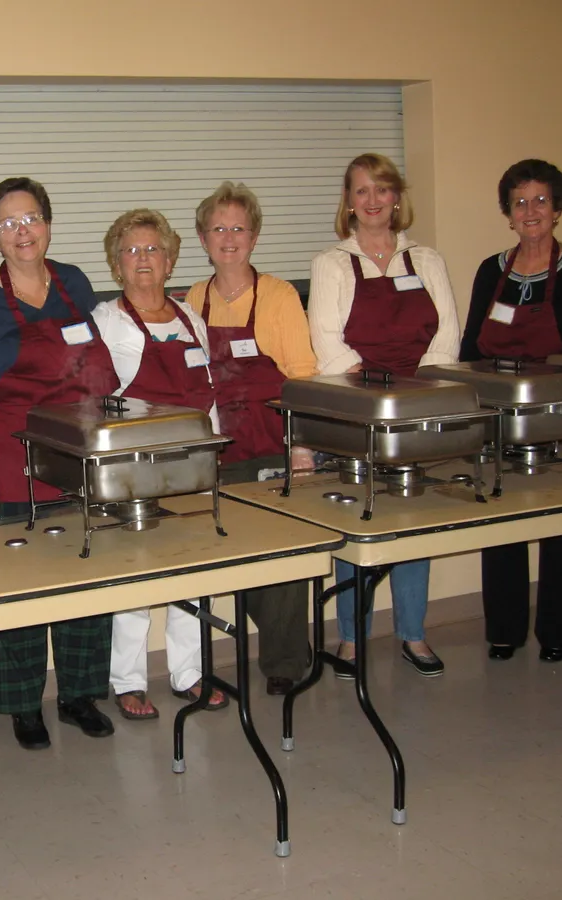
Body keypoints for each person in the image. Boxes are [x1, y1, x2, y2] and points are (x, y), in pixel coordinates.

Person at [0, 177, 119, 750]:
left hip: (73, 453)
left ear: (47, 223)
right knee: (19, 585)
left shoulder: (73, 283)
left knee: (81, 571)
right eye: (8, 223)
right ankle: (24, 705)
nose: (23, 232)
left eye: (31, 219)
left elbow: (95, 367)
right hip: (10, 457)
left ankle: (78, 696)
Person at [461, 159, 562, 663]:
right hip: (501, 417)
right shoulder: (492, 270)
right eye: (519, 201)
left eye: (540, 200)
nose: (530, 210)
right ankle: (504, 631)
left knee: (559, 524)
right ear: (507, 213)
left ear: (557, 208)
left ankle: (557, 632)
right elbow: (471, 347)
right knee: (502, 521)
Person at [308, 153, 461, 677]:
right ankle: (352, 638)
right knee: (360, 522)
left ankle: (414, 634)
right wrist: (378, 398)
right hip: (358, 412)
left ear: (397, 196)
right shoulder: (331, 262)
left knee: (413, 520)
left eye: (381, 189)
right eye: (360, 191)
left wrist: (421, 395)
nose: (371, 200)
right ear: (348, 203)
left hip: (418, 409)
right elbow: (328, 345)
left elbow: (447, 338)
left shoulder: (427, 259)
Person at [92, 209, 229, 720]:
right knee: (136, 572)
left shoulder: (190, 316)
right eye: (131, 250)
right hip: (134, 467)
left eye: (153, 249)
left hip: (191, 463)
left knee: (191, 567)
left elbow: (208, 392)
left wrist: (212, 448)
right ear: (116, 263)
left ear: (170, 260)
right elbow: (97, 398)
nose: (143, 259)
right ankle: (127, 679)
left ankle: (188, 673)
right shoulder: (106, 321)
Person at [184, 181, 318, 696]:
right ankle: (270, 647)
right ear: (202, 238)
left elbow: (302, 375)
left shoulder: (280, 296)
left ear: (255, 236)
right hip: (218, 450)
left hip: (271, 445)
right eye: (218, 228)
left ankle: (284, 661)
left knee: (279, 556)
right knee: (237, 552)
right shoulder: (193, 300)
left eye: (238, 227)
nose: (229, 237)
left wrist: (301, 446)